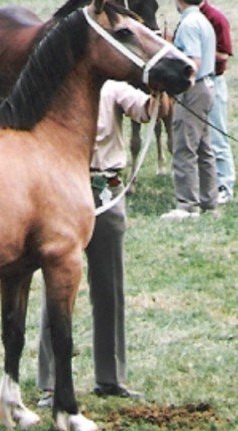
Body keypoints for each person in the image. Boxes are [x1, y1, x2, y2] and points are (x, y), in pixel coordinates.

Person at [37, 81, 170, 407]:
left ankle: (110, 379)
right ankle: (50, 384)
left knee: (109, 287)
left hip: (106, 190)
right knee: (58, 288)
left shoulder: (113, 89)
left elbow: (150, 111)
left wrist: (160, 89)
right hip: (66, 191)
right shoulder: (57, 87)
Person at [161, 0, 218, 220]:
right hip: (207, 87)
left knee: (184, 146)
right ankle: (208, 201)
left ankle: (186, 205)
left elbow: (193, 61)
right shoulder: (202, 20)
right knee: (204, 147)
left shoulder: (188, 24)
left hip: (193, 90)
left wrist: (181, 86)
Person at [200, 0, 235, 204]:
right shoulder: (192, 15)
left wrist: (196, 50)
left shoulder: (216, 18)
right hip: (200, 81)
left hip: (213, 79)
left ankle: (225, 184)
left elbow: (223, 56)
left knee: (217, 134)